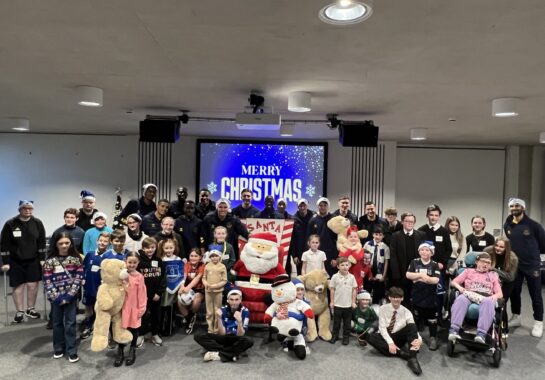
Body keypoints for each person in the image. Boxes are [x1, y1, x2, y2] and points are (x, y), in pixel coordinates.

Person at [504, 197, 545, 337]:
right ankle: (516, 317)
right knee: (514, 291)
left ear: (523, 208)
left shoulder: (534, 225)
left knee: (535, 294)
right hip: (515, 265)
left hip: (532, 265)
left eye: (517, 205)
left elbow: (543, 244)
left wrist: (531, 254)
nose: (514, 208)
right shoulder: (508, 224)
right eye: (512, 206)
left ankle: (538, 322)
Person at [0, 200, 46, 323]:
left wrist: (42, 259)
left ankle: (30, 309)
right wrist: (5, 262)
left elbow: (41, 242)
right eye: (25, 208)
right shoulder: (10, 224)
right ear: (19, 209)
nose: (28, 210)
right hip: (15, 261)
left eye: (30, 208)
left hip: (33, 260)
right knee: (18, 286)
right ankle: (20, 311)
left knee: (32, 285)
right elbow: (4, 245)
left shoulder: (37, 223)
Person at [42, 233, 84, 363]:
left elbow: (78, 278)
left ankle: (71, 349)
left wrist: (70, 295)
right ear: (55, 244)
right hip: (55, 298)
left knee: (71, 323)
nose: (64, 246)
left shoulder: (76, 259)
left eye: (67, 243)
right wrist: (57, 297)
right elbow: (47, 280)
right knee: (57, 323)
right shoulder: (50, 261)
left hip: (70, 297)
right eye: (61, 243)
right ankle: (58, 347)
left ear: (71, 243)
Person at [366, 287, 423, 376]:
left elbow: (413, 329)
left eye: (398, 297)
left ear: (402, 298)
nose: (396, 299)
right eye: (394, 297)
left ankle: (412, 358)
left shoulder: (407, 312)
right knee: (369, 337)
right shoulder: (383, 309)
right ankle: (401, 353)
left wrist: (419, 340)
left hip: (398, 336)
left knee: (411, 325)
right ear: (389, 297)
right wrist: (390, 343)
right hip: (385, 336)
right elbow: (382, 328)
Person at [449, 252, 502, 344]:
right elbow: (454, 282)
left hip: (485, 297)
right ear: (477, 262)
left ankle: (481, 334)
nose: (485, 264)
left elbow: (499, 294)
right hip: (470, 294)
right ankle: (454, 330)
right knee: (461, 299)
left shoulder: (493, 275)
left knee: (489, 301)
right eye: (483, 261)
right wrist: (460, 288)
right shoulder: (468, 271)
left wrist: (493, 297)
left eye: (488, 263)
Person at [194, 287, 253, 362]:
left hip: (236, 338)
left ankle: (217, 354)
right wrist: (218, 318)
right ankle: (231, 353)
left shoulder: (245, 311)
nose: (234, 302)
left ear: (240, 300)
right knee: (198, 335)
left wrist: (239, 322)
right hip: (224, 337)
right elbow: (222, 333)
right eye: (231, 300)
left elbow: (240, 335)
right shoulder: (223, 310)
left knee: (249, 341)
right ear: (228, 300)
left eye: (236, 299)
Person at [406, 242, 440, 351]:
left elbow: (436, 280)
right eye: (422, 250)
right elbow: (408, 275)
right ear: (419, 251)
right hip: (417, 296)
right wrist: (421, 275)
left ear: (431, 253)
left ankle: (433, 338)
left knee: (432, 319)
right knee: (415, 317)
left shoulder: (435, 264)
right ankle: (414, 337)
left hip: (430, 297)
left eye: (427, 250)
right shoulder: (414, 262)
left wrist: (422, 279)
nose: (424, 252)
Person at [115, 252, 147, 367]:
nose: (132, 264)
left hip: (133, 307)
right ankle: (120, 350)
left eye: (134, 262)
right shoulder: (120, 274)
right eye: (129, 262)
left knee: (134, 329)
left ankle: (132, 349)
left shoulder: (139, 277)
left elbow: (142, 294)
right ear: (125, 261)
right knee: (121, 329)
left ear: (138, 263)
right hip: (121, 307)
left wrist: (141, 308)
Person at [388, 212, 426, 306]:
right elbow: (393, 256)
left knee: (418, 297)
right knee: (403, 298)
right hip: (401, 274)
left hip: (417, 273)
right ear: (402, 222)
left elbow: (425, 254)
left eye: (412, 222)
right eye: (407, 221)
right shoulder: (395, 236)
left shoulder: (421, 235)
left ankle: (415, 317)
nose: (409, 223)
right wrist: (396, 275)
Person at [484, 237, 518, 337]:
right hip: (491, 280)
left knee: (501, 304)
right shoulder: (488, 251)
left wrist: (493, 269)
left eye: (501, 247)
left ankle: (504, 329)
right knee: (488, 301)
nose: (498, 248)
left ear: (506, 248)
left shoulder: (513, 258)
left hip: (507, 283)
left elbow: (510, 277)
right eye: (497, 245)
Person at [80, 232, 110, 340]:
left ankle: (99, 328)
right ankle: (88, 326)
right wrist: (82, 278)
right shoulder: (90, 254)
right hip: (89, 286)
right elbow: (83, 268)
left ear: (109, 243)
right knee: (88, 306)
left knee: (100, 308)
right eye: (101, 240)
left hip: (101, 288)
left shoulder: (108, 256)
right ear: (97, 241)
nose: (102, 243)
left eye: (105, 241)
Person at [137, 237, 165, 347]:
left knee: (155, 315)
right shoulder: (139, 261)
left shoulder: (158, 260)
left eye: (152, 247)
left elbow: (163, 278)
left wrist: (159, 292)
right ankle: (140, 334)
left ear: (156, 248)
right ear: (143, 248)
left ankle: (155, 334)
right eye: (147, 248)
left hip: (155, 295)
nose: (150, 250)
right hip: (142, 295)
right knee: (142, 315)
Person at [158, 238, 184, 336]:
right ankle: (160, 328)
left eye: (171, 248)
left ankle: (169, 328)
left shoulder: (178, 260)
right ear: (163, 248)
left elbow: (181, 274)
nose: (168, 250)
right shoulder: (161, 260)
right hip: (164, 288)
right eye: (166, 248)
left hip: (175, 287)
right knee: (162, 308)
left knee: (171, 308)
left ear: (174, 248)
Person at [329, 257, 357, 345]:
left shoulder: (352, 277)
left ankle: (346, 337)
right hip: (338, 304)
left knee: (347, 323)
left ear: (349, 266)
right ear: (338, 266)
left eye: (346, 265)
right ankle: (335, 336)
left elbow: (354, 290)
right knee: (336, 323)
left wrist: (353, 302)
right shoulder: (334, 277)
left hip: (348, 305)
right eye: (342, 265)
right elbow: (332, 290)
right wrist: (332, 302)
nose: (345, 267)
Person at [307, 197, 337, 277]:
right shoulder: (312, 220)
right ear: (318, 206)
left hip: (330, 254)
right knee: (317, 277)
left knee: (330, 278)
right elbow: (309, 238)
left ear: (328, 206)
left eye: (324, 205)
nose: (323, 207)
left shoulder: (333, 219)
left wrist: (335, 257)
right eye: (320, 205)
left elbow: (337, 239)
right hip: (316, 254)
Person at [178, 248, 205, 334]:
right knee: (179, 301)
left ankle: (190, 318)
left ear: (200, 257)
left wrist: (187, 288)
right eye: (191, 256)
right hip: (188, 288)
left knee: (196, 300)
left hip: (199, 289)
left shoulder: (202, 265)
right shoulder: (187, 264)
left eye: (196, 256)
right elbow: (184, 276)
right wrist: (182, 287)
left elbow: (197, 278)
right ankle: (190, 318)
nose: (193, 258)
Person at [362, 227, 390, 304]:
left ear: (383, 236)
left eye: (380, 235)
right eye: (376, 234)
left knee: (378, 293)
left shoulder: (385, 247)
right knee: (366, 290)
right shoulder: (367, 244)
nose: (378, 236)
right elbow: (362, 257)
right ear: (373, 234)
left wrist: (384, 276)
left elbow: (386, 262)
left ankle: (376, 307)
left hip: (379, 272)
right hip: (368, 271)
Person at [203, 250, 227, 333]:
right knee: (209, 311)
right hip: (208, 291)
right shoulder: (207, 266)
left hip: (218, 291)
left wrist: (215, 286)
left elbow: (224, 280)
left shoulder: (222, 266)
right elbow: (204, 277)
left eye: (216, 256)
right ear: (210, 257)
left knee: (217, 310)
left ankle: (216, 329)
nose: (214, 258)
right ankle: (210, 328)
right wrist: (206, 283)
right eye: (212, 256)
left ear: (219, 256)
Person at [289, 199, 315, 274]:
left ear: (307, 206)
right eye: (300, 206)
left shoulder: (314, 217)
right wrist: (294, 255)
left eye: (304, 205)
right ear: (298, 207)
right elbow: (292, 239)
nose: (302, 208)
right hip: (299, 254)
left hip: (313, 252)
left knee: (312, 275)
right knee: (301, 276)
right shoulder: (293, 219)